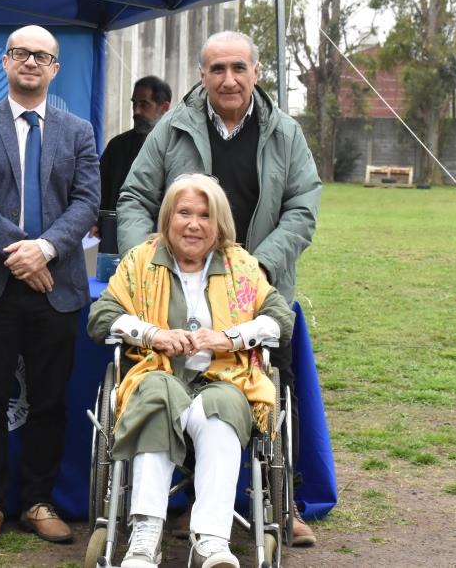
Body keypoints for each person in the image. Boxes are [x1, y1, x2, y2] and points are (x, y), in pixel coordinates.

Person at [117, 30, 321, 545]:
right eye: (216, 70)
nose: (228, 79)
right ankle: (184, 506)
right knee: (175, 389)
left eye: (238, 68)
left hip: (256, 290)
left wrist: (257, 268)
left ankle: (282, 502)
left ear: (256, 72)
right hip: (176, 291)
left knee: (278, 390)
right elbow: (135, 198)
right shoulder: (171, 130)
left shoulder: (286, 134)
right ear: (202, 76)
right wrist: (152, 266)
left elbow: (302, 207)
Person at [88, 174, 294, 568]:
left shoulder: (240, 266)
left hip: (222, 378)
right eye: (184, 212)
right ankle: (145, 537)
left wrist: (228, 338)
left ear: (219, 226)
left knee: (225, 409)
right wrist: (154, 335)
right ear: (168, 217)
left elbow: (280, 320)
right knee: (157, 397)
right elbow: (102, 318)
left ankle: (212, 541)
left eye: (205, 215)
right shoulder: (142, 261)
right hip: (158, 374)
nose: (194, 224)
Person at [0, 25, 99, 544]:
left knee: (50, 400)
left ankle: (38, 501)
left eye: (42, 56)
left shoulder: (78, 130)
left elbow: (86, 202)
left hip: (55, 287)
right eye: (21, 54)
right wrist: (22, 252)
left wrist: (47, 250)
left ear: (55, 68)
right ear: (6, 62)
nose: (31, 62)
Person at [99, 75, 172, 212]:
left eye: (144, 104)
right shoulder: (117, 146)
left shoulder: (177, 148)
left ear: (164, 107)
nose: (136, 111)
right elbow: (100, 192)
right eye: (134, 104)